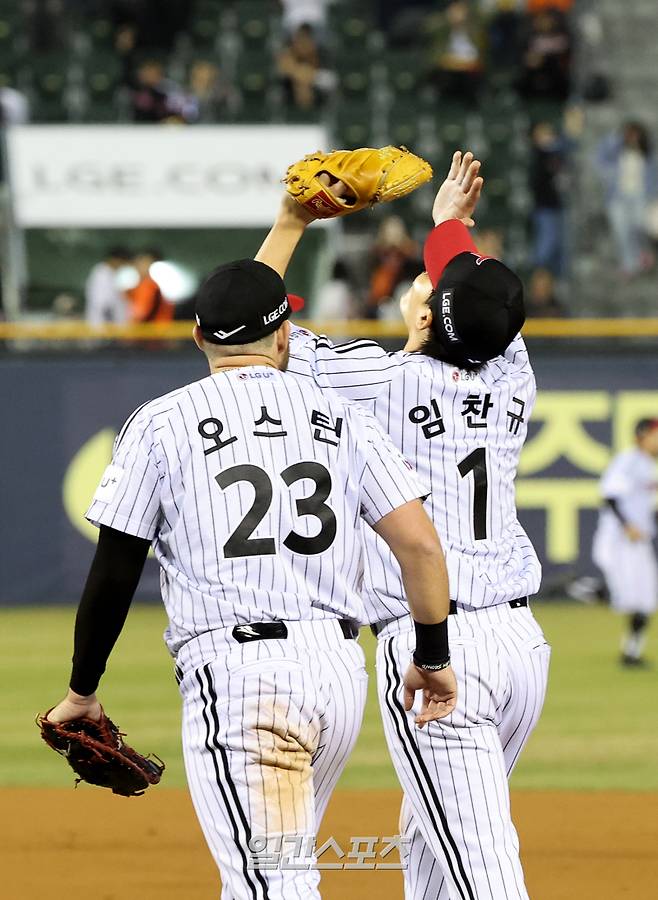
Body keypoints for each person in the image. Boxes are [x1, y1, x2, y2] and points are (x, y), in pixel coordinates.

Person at [43, 257, 459, 897]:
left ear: (199, 337)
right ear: (286, 334)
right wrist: (432, 654)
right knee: (273, 875)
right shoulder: (340, 415)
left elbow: (116, 566)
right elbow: (422, 549)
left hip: (243, 682)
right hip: (337, 675)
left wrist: (82, 688)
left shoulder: (162, 420)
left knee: (271, 886)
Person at [256, 150, 550, 899]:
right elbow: (467, 286)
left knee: (481, 865)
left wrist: (290, 224)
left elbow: (250, 335)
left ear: (424, 316)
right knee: (432, 843)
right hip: (520, 650)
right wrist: (448, 226)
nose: (433, 275)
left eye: (429, 283)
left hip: (438, 646)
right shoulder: (512, 366)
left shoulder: (381, 380)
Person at [592, 418, 658, 668]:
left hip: (638, 542)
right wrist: (627, 525)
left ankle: (631, 653)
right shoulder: (629, 460)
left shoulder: (647, 465)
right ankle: (575, 588)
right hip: (621, 541)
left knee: (645, 600)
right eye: (655, 435)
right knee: (626, 598)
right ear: (643, 435)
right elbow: (610, 496)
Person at [596, 122, 657, 278]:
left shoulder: (649, 155)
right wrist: (615, 137)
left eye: (636, 134)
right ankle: (629, 265)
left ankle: (643, 253)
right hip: (617, 197)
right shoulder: (616, 153)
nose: (632, 138)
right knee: (621, 231)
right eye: (629, 134)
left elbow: (654, 178)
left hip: (641, 197)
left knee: (639, 226)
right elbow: (599, 156)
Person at [85, 247, 130, 325]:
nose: (122, 266)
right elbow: (102, 304)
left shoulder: (111, 273)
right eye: (122, 263)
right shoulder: (101, 274)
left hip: (109, 324)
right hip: (103, 323)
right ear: (115, 260)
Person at [126, 249, 174, 323]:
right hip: (148, 330)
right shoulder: (138, 286)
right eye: (139, 263)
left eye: (145, 263)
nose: (142, 266)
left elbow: (140, 314)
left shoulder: (149, 285)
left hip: (153, 332)